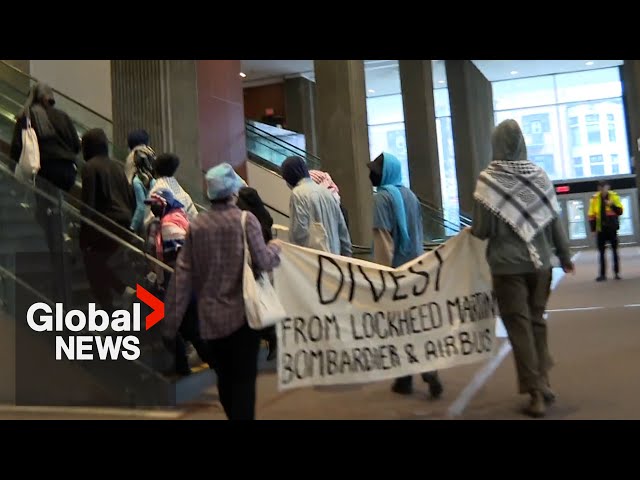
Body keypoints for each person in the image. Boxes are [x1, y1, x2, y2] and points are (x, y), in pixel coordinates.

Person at [471, 119, 574, 418]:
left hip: (507, 267)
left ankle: (536, 391)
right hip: (541, 265)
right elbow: (554, 220)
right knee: (537, 321)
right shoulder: (539, 175)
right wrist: (566, 256)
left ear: (496, 144)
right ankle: (545, 381)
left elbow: (481, 229)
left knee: (519, 327)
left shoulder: (489, 179)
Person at [162, 163, 282, 420]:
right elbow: (263, 260)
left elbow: (182, 277)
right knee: (244, 382)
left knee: (225, 380)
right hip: (243, 319)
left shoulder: (197, 226)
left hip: (211, 322)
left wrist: (170, 323)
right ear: (233, 191)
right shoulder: (245, 220)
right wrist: (276, 248)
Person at [368, 152, 443, 399]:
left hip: (397, 271)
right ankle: (419, 372)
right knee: (415, 324)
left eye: (375, 171)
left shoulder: (382, 199)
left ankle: (409, 376)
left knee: (398, 326)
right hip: (417, 269)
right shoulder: (410, 195)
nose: (372, 175)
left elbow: (383, 241)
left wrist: (383, 277)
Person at [9, 82, 80, 300]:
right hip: (67, 174)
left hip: (45, 174)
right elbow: (76, 146)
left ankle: (58, 268)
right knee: (55, 212)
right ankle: (65, 243)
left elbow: (16, 149)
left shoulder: (27, 117)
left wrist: (15, 170)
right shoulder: (63, 116)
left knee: (46, 214)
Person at [145, 188, 209, 376]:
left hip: (179, 284)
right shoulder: (179, 217)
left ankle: (182, 366)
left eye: (155, 204)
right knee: (190, 329)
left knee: (169, 327)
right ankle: (217, 364)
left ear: (164, 204)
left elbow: (178, 256)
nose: (153, 209)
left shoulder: (168, 224)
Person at [79, 128, 136, 313]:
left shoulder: (90, 167)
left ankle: (111, 306)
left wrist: (83, 233)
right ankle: (122, 293)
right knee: (99, 263)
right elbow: (130, 197)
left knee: (92, 263)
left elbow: (89, 203)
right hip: (124, 222)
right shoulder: (117, 166)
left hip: (105, 223)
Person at [236, 184, 278, 361]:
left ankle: (270, 336)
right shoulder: (264, 218)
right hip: (263, 272)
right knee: (260, 305)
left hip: (252, 270)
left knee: (252, 308)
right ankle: (271, 336)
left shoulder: (248, 221)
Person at [281, 156, 352, 257]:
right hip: (335, 259)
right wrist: (347, 258)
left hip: (314, 261)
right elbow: (342, 230)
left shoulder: (297, 194)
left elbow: (298, 233)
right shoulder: (327, 193)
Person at [144, 153, 198, 229]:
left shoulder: (158, 190)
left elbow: (150, 220)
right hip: (185, 232)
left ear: (155, 169)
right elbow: (193, 215)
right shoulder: (178, 188)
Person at [588, 180, 624, 281]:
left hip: (612, 228)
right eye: (601, 187)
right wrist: (593, 229)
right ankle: (602, 275)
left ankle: (616, 273)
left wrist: (612, 205)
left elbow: (620, 211)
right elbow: (591, 215)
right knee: (601, 253)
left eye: (604, 187)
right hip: (601, 229)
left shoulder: (614, 196)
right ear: (598, 188)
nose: (603, 189)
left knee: (614, 252)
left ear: (608, 187)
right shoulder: (594, 198)